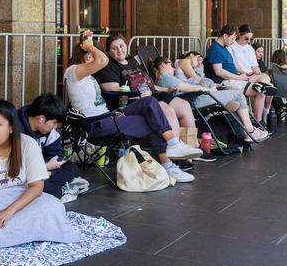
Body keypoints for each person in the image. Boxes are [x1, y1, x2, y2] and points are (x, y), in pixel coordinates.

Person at [64, 30, 199, 182]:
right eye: (93, 54)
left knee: (150, 103)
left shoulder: (86, 75)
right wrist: (90, 46)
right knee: (154, 119)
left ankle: (173, 145)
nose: (96, 57)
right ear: (89, 55)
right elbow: (103, 61)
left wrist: (87, 40)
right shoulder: (72, 72)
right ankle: (169, 165)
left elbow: (101, 60)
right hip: (97, 125)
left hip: (109, 117)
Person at [0, 100, 81, 250]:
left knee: (53, 206)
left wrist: (9, 211)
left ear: (11, 127)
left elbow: (37, 187)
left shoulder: (28, 144)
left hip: (20, 198)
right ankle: (14, 234)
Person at [95, 35, 210, 161]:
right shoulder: (110, 67)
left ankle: (192, 146)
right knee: (167, 110)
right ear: (109, 52)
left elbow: (147, 84)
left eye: (121, 46)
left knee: (184, 106)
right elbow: (112, 90)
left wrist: (165, 89)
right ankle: (175, 153)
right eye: (114, 48)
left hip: (153, 93)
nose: (119, 50)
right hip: (136, 101)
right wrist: (138, 95)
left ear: (126, 46)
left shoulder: (132, 62)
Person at [152, 57, 268, 142]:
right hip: (194, 100)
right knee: (238, 95)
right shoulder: (164, 78)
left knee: (233, 99)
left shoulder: (166, 79)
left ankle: (239, 124)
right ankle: (250, 130)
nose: (173, 67)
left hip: (194, 98)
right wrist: (206, 89)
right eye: (170, 65)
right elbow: (184, 87)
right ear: (163, 65)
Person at [18, 93, 88, 203]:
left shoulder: (50, 132)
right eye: (54, 123)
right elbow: (14, 164)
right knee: (35, 185)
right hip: (22, 172)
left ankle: (58, 186)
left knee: (71, 167)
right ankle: (63, 190)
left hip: (43, 170)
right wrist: (43, 168)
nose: (55, 127)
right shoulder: (16, 130)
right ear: (41, 118)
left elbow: (56, 157)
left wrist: (49, 169)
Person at [205, 24, 275, 123]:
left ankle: (258, 120)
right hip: (227, 81)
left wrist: (244, 74)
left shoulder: (224, 47)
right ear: (225, 36)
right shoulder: (216, 49)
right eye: (233, 39)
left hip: (235, 78)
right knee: (261, 91)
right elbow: (219, 72)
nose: (233, 41)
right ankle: (258, 122)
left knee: (263, 82)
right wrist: (240, 78)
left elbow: (234, 65)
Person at [229, 24, 274, 121]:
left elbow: (255, 66)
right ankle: (258, 120)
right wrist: (245, 73)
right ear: (239, 35)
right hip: (240, 75)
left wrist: (256, 71)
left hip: (252, 76)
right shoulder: (232, 46)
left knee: (265, 79)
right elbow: (234, 65)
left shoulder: (250, 48)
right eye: (246, 38)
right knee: (264, 88)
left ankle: (258, 120)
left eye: (250, 39)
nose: (249, 41)